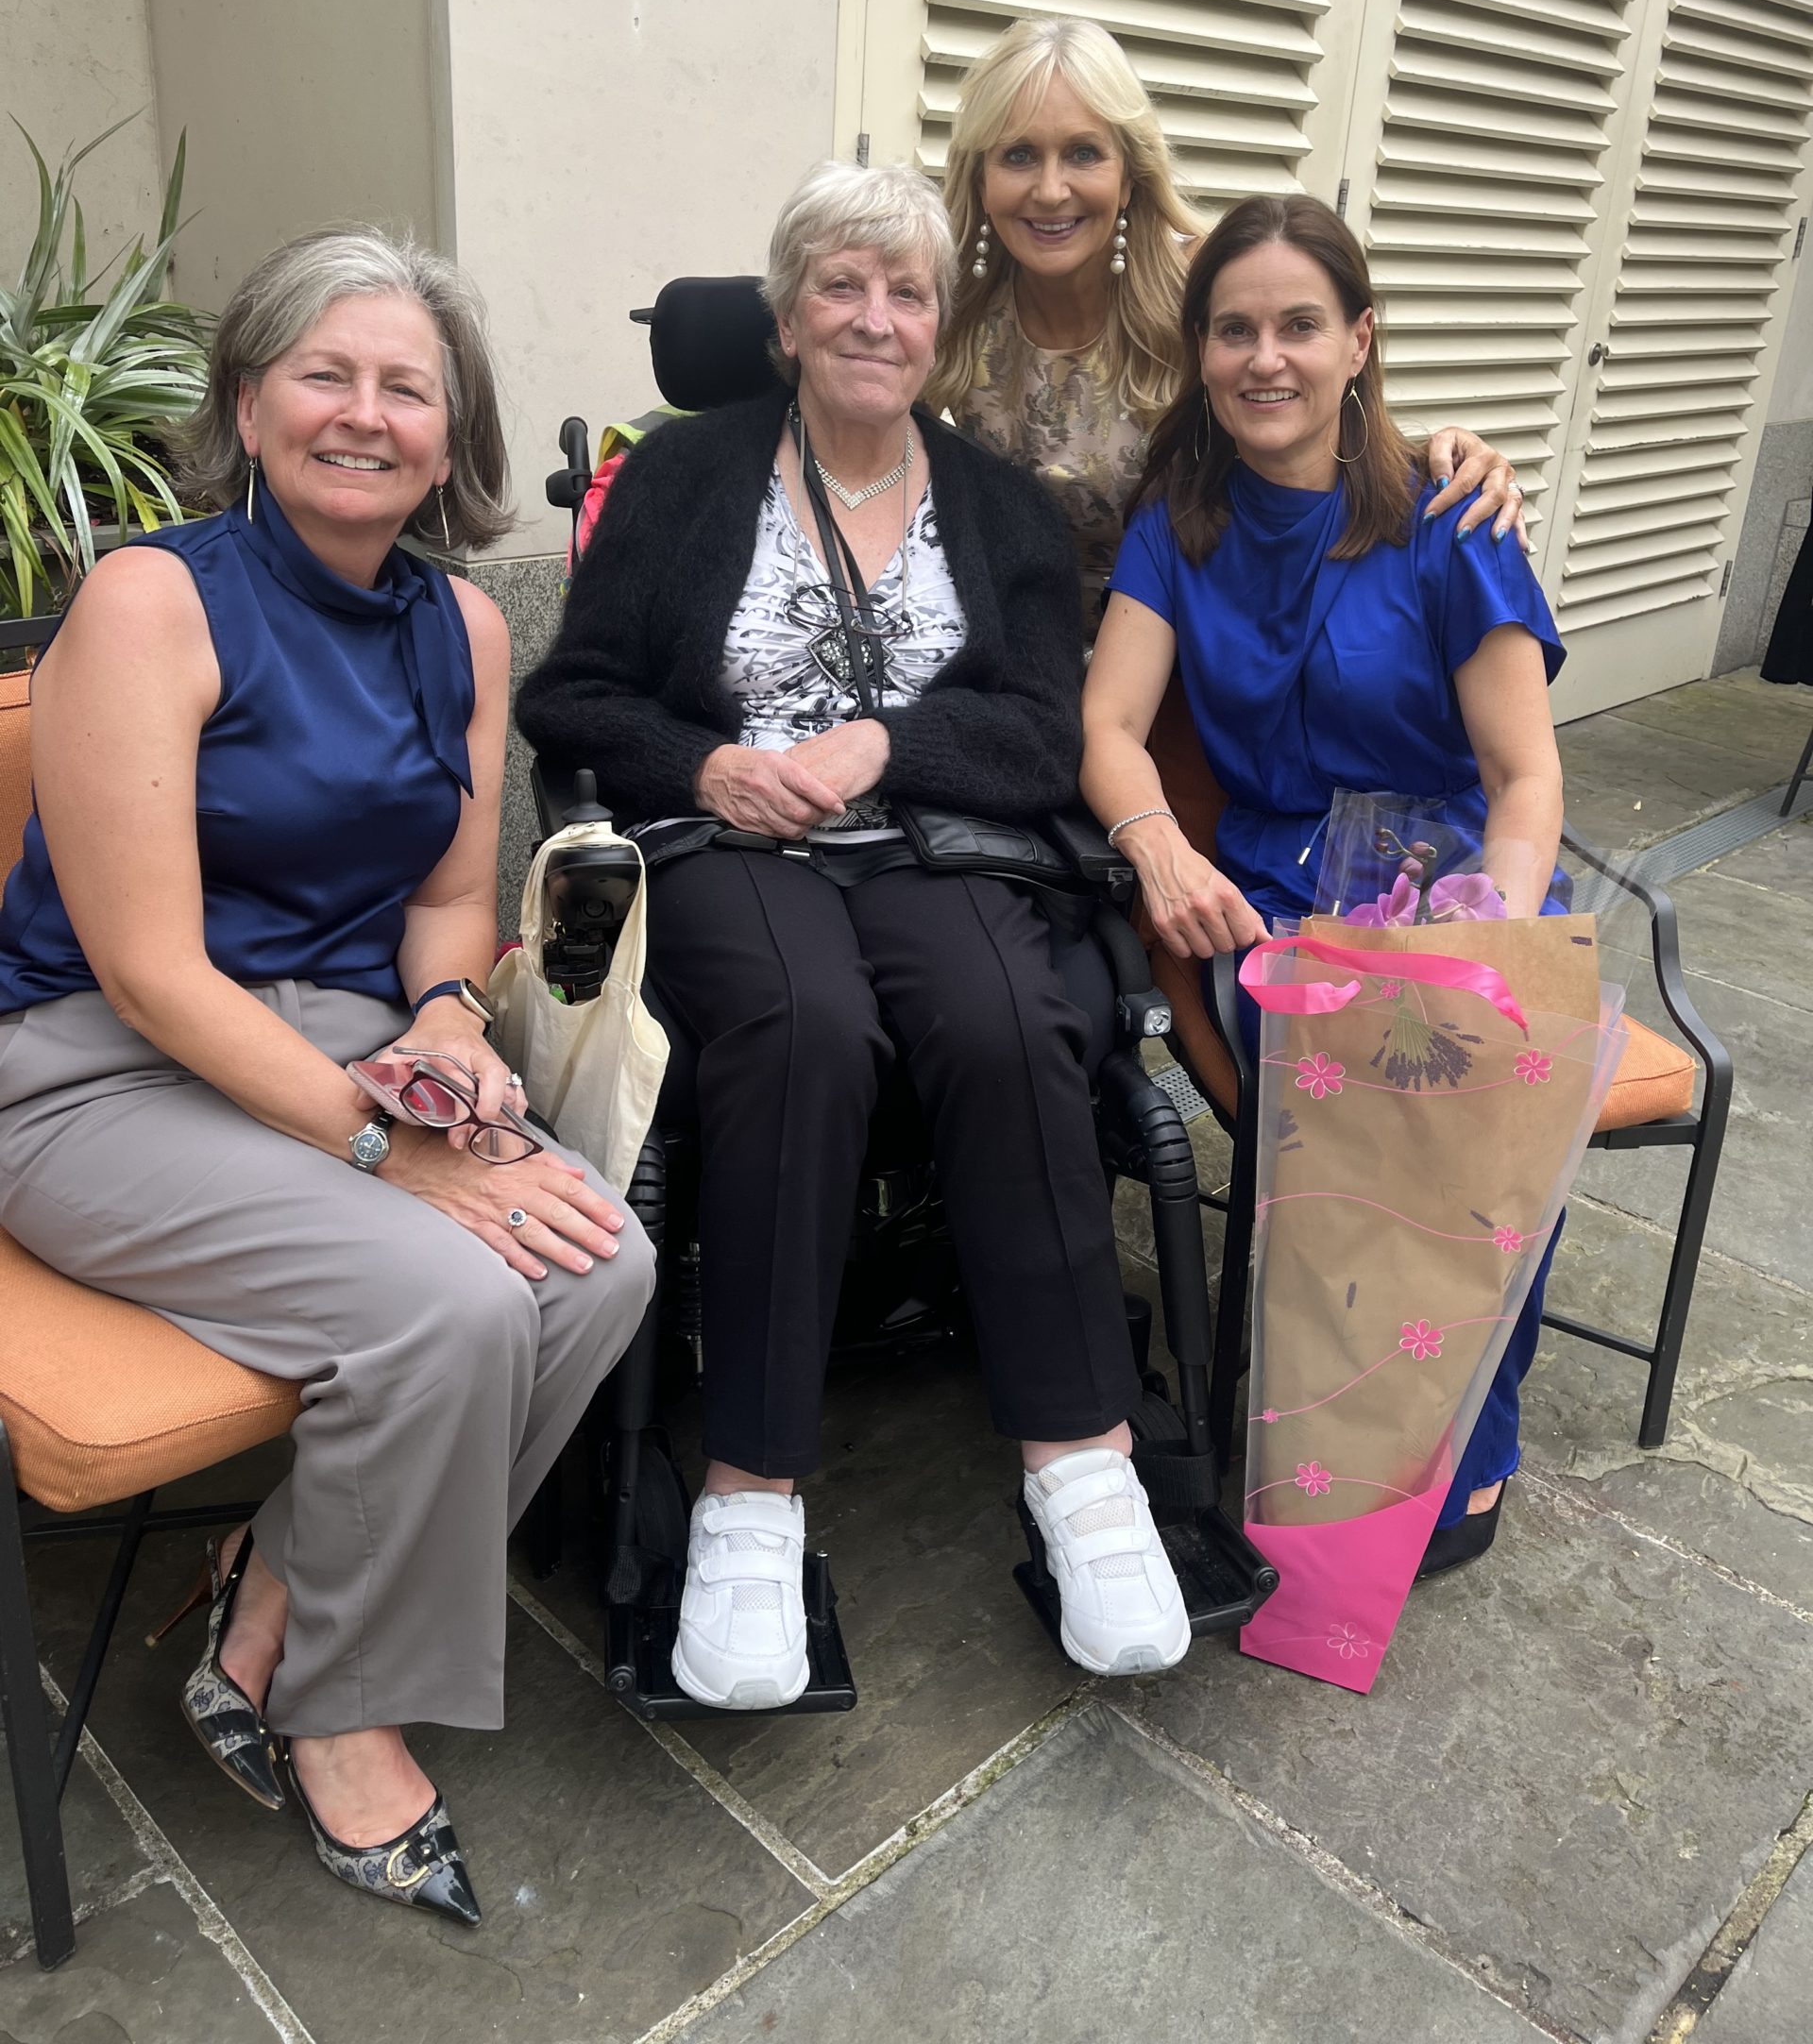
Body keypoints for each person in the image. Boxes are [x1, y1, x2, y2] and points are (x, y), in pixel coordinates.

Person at [0, 231, 655, 1924]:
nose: (364, 415)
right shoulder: (157, 598)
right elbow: (149, 969)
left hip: (332, 1046)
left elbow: (446, 896)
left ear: (452, 433)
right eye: (325, 373)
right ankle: (334, 1709)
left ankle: (280, 1575)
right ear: (249, 400)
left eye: (407, 387)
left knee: (599, 1261)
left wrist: (443, 1022)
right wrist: (401, 1154)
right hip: (92, 1069)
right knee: (443, 1300)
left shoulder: (459, 624)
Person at [517, 161, 1189, 1709]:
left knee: (1009, 1019)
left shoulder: (1001, 509)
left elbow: (1039, 734)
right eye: (840, 285)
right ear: (784, 318)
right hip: (728, 845)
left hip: (941, 846)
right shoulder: (683, 479)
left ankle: (1083, 1470)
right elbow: (575, 699)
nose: (874, 318)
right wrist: (707, 764)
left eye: (905, 293)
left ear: (939, 329)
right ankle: (752, 1499)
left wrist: (883, 747)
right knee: (802, 1024)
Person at [1079, 193, 1566, 1576]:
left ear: (1362, 340)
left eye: (1300, 324)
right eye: (1233, 330)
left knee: (1467, 1059)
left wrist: (1498, 930)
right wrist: (1159, 845)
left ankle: (1457, 1431)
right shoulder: (1182, 524)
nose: (1265, 357)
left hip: (1451, 884)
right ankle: (1335, 1426)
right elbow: (1111, 726)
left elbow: (1524, 777)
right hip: (1272, 896)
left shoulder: (1450, 520)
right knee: (1350, 1053)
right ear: (1202, 353)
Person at [924, 15, 1529, 621]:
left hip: (1205, 627)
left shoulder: (1210, 286)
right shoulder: (945, 307)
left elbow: (1322, 403)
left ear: (1129, 177)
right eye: (1020, 155)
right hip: (1016, 634)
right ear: (980, 176)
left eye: (1083, 153)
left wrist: (1444, 459)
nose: (1051, 190)